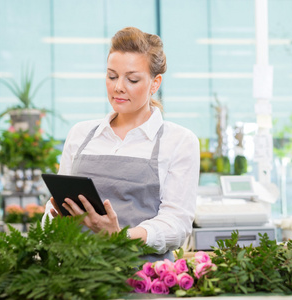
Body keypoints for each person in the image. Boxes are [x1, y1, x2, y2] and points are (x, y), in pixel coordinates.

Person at [42, 27, 200, 262]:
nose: (118, 87)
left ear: (155, 83)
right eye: (112, 76)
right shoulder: (80, 134)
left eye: (132, 79)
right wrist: (54, 218)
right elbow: (54, 205)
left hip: (142, 280)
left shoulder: (179, 141)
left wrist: (120, 237)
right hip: (75, 275)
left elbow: (176, 225)